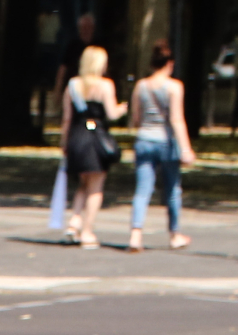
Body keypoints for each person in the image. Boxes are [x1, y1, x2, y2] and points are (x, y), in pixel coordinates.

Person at [127, 41, 194, 252]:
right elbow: (176, 119)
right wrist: (185, 148)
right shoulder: (175, 87)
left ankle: (135, 235)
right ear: (170, 64)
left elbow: (135, 118)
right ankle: (174, 235)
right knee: (173, 189)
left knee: (142, 190)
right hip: (166, 142)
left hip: (144, 140)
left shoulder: (141, 86)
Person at [58, 44, 123, 248]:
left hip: (76, 136)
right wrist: (123, 108)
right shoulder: (105, 85)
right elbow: (112, 114)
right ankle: (87, 232)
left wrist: (64, 143)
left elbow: (67, 119)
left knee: (83, 183)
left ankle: (74, 221)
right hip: (95, 138)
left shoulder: (73, 85)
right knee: (96, 187)